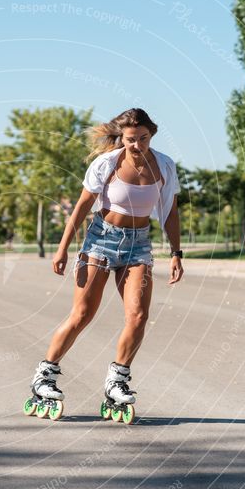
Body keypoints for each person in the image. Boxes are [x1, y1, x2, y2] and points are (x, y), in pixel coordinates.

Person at [28, 107, 184, 420]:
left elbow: (169, 212)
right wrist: (62, 250)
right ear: (121, 138)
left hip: (139, 243)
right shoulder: (106, 163)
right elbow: (81, 208)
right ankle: (44, 376)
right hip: (101, 239)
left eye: (143, 138)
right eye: (131, 139)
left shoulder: (164, 166)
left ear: (151, 135)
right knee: (82, 314)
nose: (137, 145)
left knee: (138, 315)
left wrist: (176, 253)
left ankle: (118, 380)